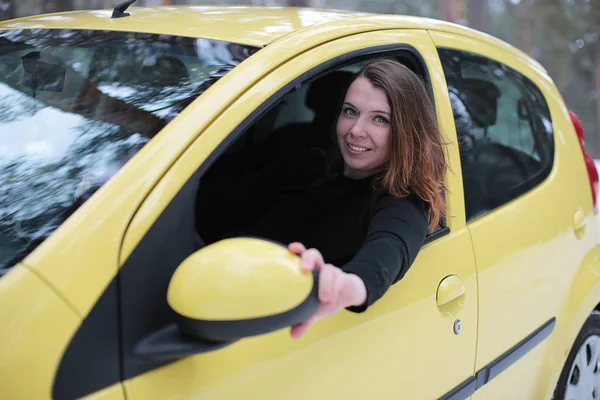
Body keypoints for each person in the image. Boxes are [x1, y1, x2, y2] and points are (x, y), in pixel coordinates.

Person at [197, 59, 447, 338]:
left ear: (406, 132)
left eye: (380, 119)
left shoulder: (402, 202)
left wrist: (347, 284)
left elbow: (388, 253)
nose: (355, 130)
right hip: (219, 287)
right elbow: (216, 209)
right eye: (350, 111)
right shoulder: (309, 165)